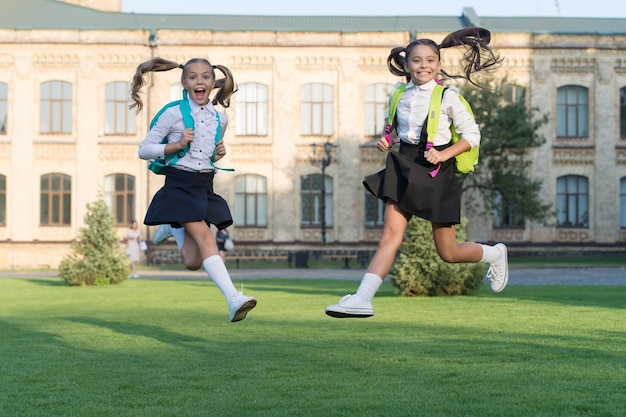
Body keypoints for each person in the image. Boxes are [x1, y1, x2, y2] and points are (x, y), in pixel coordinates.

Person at [325, 27, 508, 319]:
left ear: (439, 64)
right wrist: (388, 140)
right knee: (390, 235)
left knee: (448, 253)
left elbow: (472, 135)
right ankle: (362, 298)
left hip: (437, 169)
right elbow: (401, 133)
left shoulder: (448, 96)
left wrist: (443, 153)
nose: (424, 65)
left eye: (430, 60)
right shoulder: (399, 94)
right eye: (417, 60)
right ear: (407, 64)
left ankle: (495, 253)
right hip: (404, 164)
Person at [130, 57, 257, 322]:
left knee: (193, 261)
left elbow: (207, 156)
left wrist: (218, 154)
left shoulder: (220, 120)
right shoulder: (173, 113)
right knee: (208, 239)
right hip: (179, 184)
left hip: (204, 185)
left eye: (205, 76)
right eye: (192, 77)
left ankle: (173, 227)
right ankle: (234, 298)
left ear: (212, 82)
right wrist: (175, 145)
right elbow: (144, 149)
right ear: (184, 83)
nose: (199, 81)